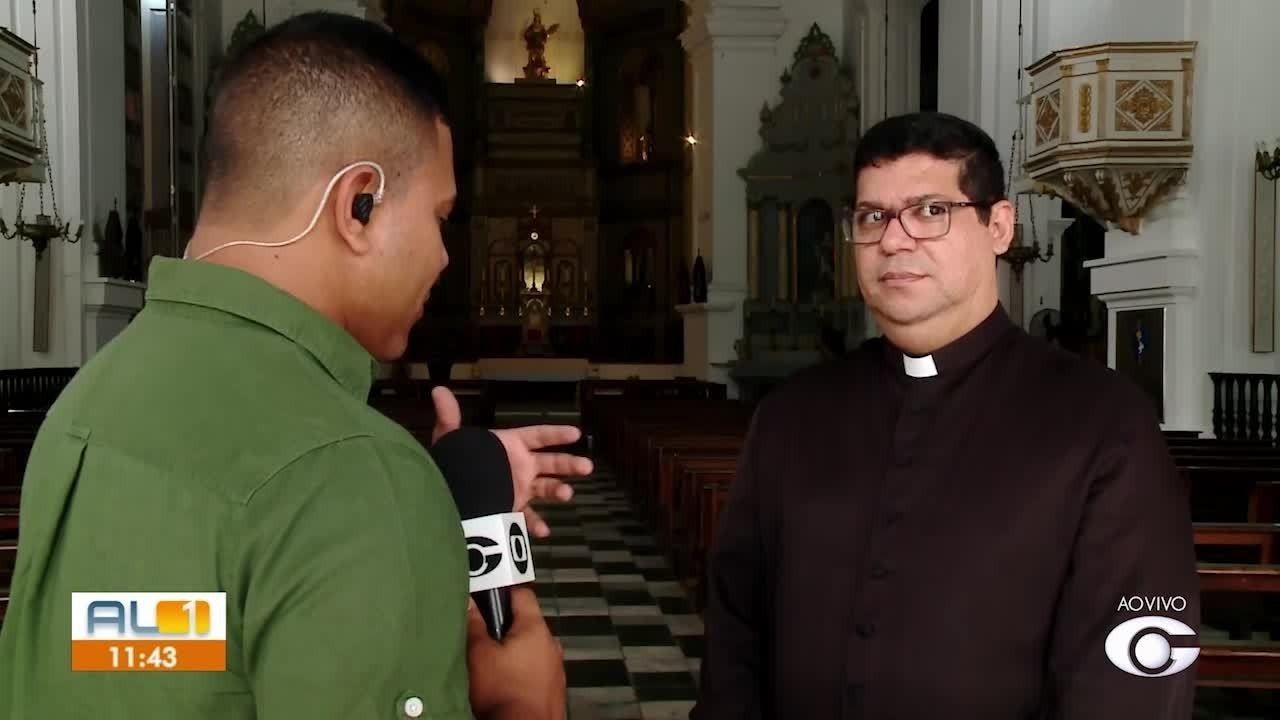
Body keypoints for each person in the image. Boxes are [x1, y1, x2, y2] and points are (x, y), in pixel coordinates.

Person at [0, 12, 586, 720]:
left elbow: (163, 633)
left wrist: (419, 522)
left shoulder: (87, 404)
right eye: (440, 216)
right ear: (358, 205)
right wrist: (528, 710)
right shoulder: (347, 473)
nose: (444, 256)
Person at [692, 112, 1199, 719]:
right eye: (872, 216)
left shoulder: (1104, 424)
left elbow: (1135, 671)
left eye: (931, 210)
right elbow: (735, 637)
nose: (894, 239)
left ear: (999, 226)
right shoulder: (790, 417)